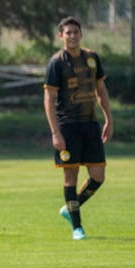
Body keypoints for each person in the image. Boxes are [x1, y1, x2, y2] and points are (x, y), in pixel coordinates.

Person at [43, 16, 113, 240]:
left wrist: (109, 119)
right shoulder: (57, 62)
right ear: (61, 36)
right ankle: (77, 227)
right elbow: (49, 99)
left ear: (81, 34)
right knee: (70, 175)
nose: (72, 36)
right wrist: (55, 132)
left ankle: (69, 208)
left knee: (98, 176)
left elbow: (101, 90)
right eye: (68, 32)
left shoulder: (92, 58)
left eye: (76, 32)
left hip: (90, 123)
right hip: (67, 126)